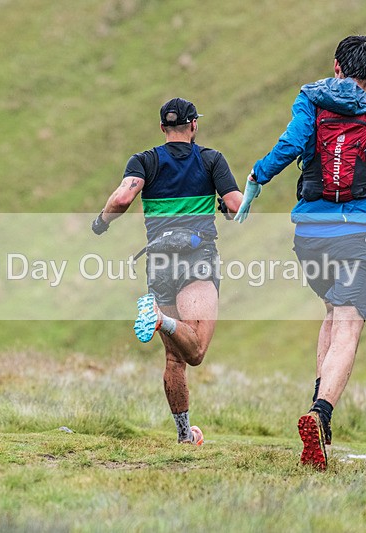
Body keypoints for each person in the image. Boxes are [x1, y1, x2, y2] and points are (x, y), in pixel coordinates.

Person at [237, 36, 366, 469]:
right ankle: (321, 413)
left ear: (336, 65)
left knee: (331, 310)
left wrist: (256, 178)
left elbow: (289, 146)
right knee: (348, 323)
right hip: (356, 234)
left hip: (309, 234)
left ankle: (315, 408)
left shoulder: (309, 99)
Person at [92, 98, 243, 445]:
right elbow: (236, 206)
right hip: (197, 259)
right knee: (196, 352)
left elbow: (121, 200)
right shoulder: (210, 160)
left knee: (175, 358)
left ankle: (184, 437)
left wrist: (101, 222)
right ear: (193, 126)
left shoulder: (145, 161)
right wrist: (225, 206)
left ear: (163, 129)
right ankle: (159, 318)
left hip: (158, 261)